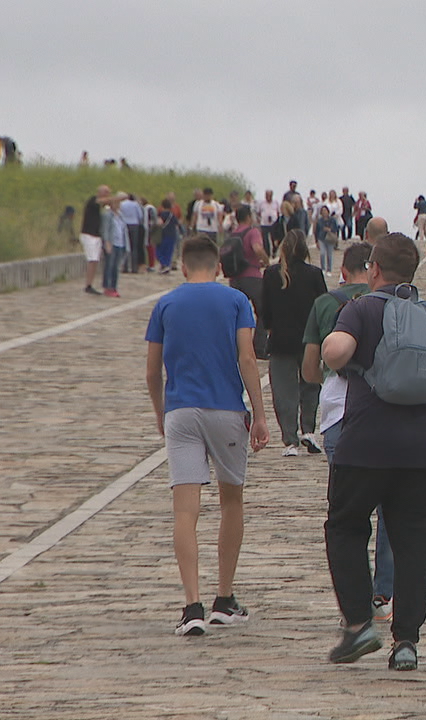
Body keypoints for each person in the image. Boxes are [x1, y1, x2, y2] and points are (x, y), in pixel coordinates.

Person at [320, 232, 426, 670]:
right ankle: (407, 641)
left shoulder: (360, 308)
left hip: (365, 446)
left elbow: (337, 352)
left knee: (345, 527)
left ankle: (359, 624)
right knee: (415, 546)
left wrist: (332, 346)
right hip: (425, 452)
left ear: (373, 270)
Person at [145, 234, 270, 636]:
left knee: (185, 510)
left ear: (182, 266)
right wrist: (261, 414)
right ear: (218, 267)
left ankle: (191, 605)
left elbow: (152, 371)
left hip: (181, 410)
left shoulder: (165, 304)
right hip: (226, 411)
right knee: (231, 499)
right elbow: (247, 357)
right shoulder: (236, 301)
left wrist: (160, 412)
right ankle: (224, 598)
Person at [301, 241, 395, 621]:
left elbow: (309, 369)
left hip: (339, 416)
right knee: (391, 511)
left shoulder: (326, 304)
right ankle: (383, 595)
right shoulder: (393, 304)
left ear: (345, 268)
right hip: (390, 415)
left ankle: (354, 607)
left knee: (347, 516)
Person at [261, 229, 327, 456]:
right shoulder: (314, 274)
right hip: (309, 340)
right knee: (310, 385)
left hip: (280, 340)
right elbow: (323, 306)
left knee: (283, 391)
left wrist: (270, 328)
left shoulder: (271, 274)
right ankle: (308, 429)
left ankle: (290, 439)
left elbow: (264, 309)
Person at [227, 206, 271, 359]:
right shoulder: (252, 232)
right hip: (252, 276)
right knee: (263, 311)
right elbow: (257, 248)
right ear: (248, 217)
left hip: (234, 278)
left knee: (236, 314)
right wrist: (267, 262)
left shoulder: (233, 234)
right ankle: (259, 347)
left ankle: (235, 348)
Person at [79, 185, 110, 295]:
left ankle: (89, 283)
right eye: (105, 192)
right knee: (92, 260)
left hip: (96, 235)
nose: (107, 194)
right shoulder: (93, 200)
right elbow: (104, 201)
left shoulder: (101, 205)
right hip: (89, 234)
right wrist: (121, 197)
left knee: (95, 260)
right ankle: (88, 285)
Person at [100, 192, 127, 298]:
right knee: (109, 265)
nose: (118, 205)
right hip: (112, 243)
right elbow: (105, 230)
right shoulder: (107, 215)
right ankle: (107, 286)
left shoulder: (120, 215)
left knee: (116, 267)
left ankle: (114, 286)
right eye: (116, 203)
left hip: (120, 244)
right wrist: (107, 243)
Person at [119, 194, 145, 274]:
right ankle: (134, 268)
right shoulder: (135, 204)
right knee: (134, 247)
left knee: (126, 246)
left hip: (125, 224)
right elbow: (140, 215)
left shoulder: (122, 204)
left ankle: (125, 267)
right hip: (134, 224)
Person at [156, 199, 181, 273]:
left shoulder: (162, 214)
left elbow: (159, 223)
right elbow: (177, 223)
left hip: (163, 235)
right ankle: (167, 265)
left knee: (159, 252)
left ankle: (164, 264)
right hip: (172, 235)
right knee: (168, 252)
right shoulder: (172, 215)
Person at [314, 206, 340, 276]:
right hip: (321, 238)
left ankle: (329, 269)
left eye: (325, 211)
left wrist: (330, 230)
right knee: (322, 253)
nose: (324, 212)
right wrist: (316, 241)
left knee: (329, 254)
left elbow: (336, 229)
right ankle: (323, 268)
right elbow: (316, 231)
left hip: (330, 238)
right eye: (323, 211)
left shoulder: (332, 220)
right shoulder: (319, 220)